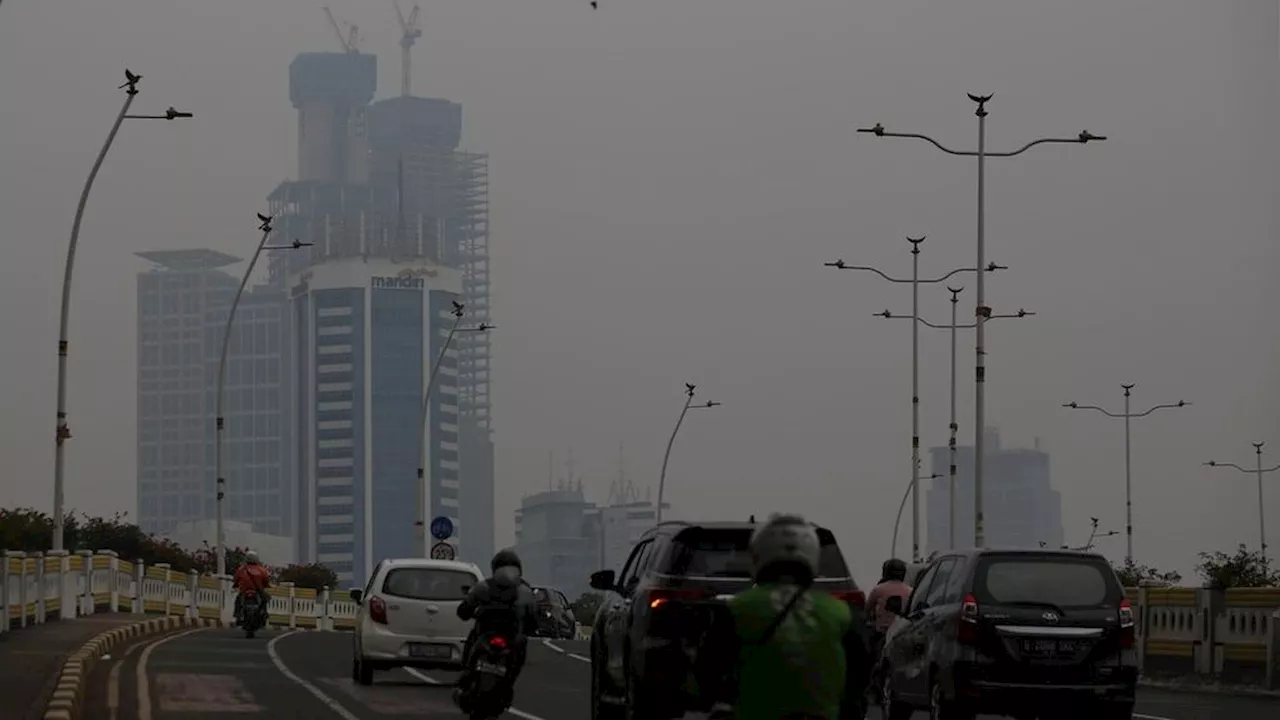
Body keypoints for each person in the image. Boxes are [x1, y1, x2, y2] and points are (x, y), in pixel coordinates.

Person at [697, 514, 872, 720]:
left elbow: (707, 671)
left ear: (758, 556)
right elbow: (859, 676)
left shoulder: (737, 608)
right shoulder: (840, 612)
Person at [455, 549, 539, 688]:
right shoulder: (524, 591)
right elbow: (533, 618)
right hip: (503, 637)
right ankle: (504, 680)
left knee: (475, 637)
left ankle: (468, 673)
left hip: (498, 637)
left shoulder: (484, 587)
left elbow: (464, 610)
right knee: (520, 644)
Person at [233, 551, 271, 624]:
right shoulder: (261, 569)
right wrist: (266, 585)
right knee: (265, 599)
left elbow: (236, 579)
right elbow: (266, 579)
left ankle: (237, 615)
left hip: (244, 590)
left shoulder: (241, 569)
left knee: (238, 599)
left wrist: (235, 585)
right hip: (258, 590)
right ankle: (264, 613)